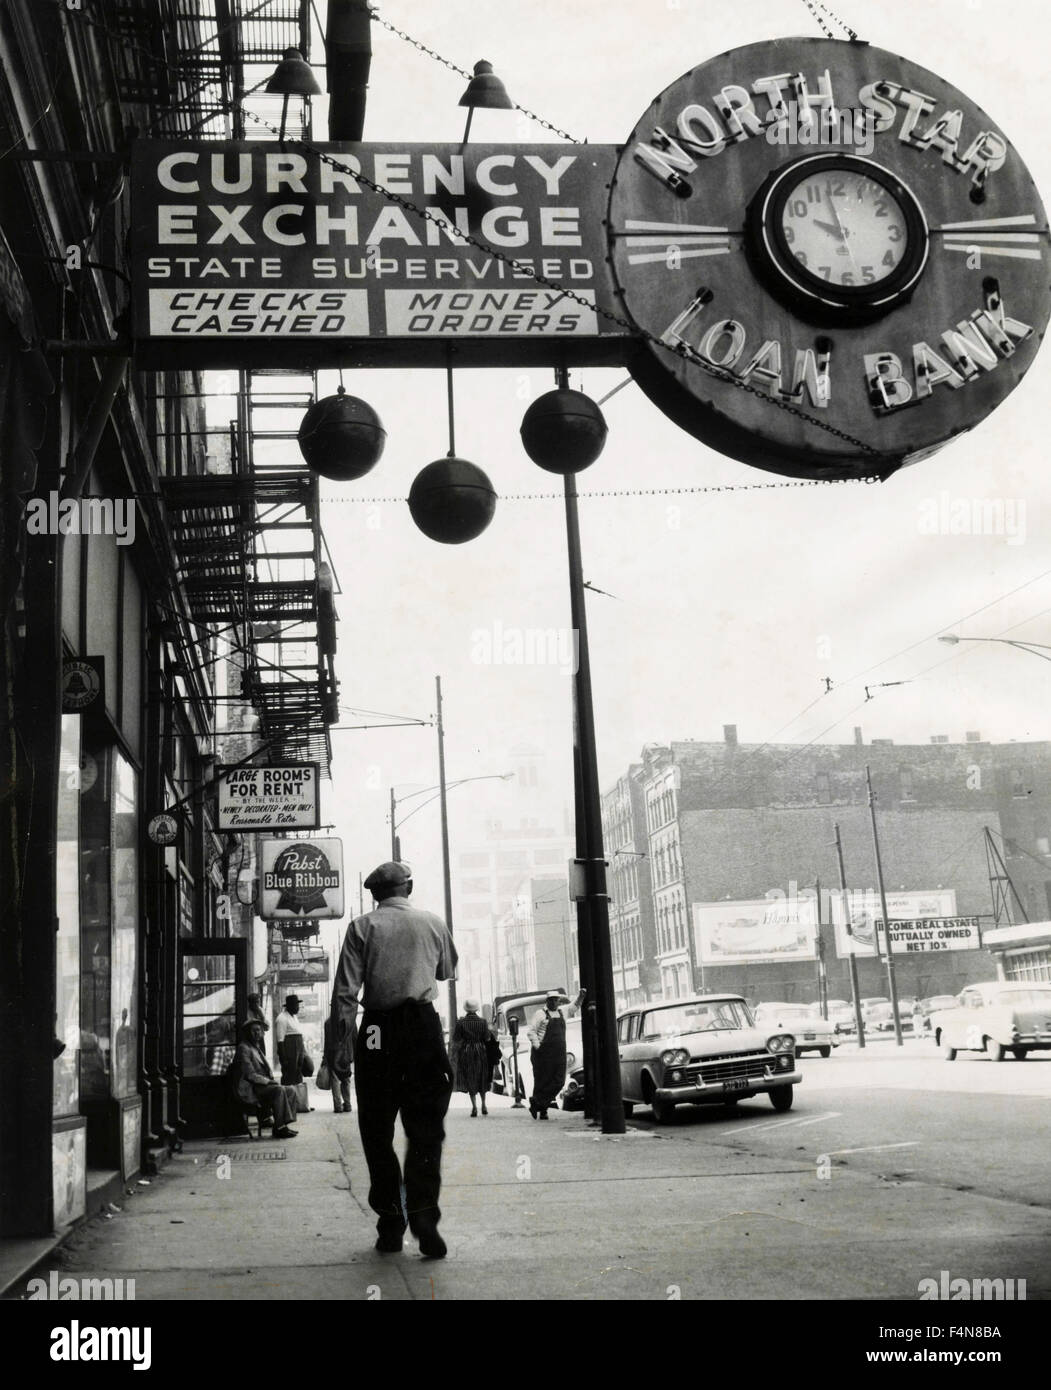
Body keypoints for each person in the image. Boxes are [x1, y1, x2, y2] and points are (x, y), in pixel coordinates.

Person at [329, 860, 457, 1259]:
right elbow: (445, 970)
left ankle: (390, 1222)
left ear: (374, 894)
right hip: (422, 1027)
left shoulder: (362, 928)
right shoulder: (433, 923)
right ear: (409, 887)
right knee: (425, 1131)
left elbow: (346, 994)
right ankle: (424, 1220)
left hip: (376, 1030)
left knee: (376, 1131)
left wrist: (340, 1050)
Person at [229, 1019, 298, 1138]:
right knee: (279, 1090)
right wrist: (270, 1082)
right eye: (253, 1031)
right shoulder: (244, 1048)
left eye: (259, 1030)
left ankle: (281, 1125)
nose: (257, 1033)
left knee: (291, 1090)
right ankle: (280, 1128)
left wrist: (269, 1082)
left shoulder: (256, 1047)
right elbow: (250, 1075)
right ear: (247, 1033)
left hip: (261, 1086)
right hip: (251, 1088)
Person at [527, 987, 585, 1119]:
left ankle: (537, 1101)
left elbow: (574, 1006)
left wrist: (581, 996)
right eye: (551, 1000)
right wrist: (538, 1047)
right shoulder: (540, 1014)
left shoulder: (562, 1011)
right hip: (543, 1053)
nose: (554, 1003)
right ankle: (543, 1110)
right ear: (547, 1001)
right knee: (542, 1081)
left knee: (559, 1081)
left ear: (559, 1001)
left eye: (556, 1000)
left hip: (559, 1053)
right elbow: (531, 1032)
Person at [449, 1000, 497, 1117]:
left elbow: (456, 1039)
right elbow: (487, 1038)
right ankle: (484, 1105)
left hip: (466, 1051)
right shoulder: (483, 1022)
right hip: (480, 1050)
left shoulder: (461, 1023)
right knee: (482, 1076)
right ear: (476, 1009)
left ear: (466, 1009)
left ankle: (474, 1107)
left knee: (470, 1076)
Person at [275, 994, 312, 1113]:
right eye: (296, 1005)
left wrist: (303, 1052)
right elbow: (280, 1041)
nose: (298, 1007)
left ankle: (299, 1103)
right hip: (289, 1050)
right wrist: (283, 1058)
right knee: (288, 1078)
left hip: (299, 1049)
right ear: (289, 1006)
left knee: (298, 1077)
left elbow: (299, 1035)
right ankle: (288, 1106)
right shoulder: (282, 1018)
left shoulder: (294, 1017)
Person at [322, 1011, 354, 1114]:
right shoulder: (349, 1020)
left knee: (335, 1079)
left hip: (333, 1053)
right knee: (346, 1079)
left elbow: (326, 1042)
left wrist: (325, 1057)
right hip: (345, 1053)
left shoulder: (328, 1022)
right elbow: (354, 1037)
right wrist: (352, 1054)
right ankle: (348, 1104)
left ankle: (338, 1106)